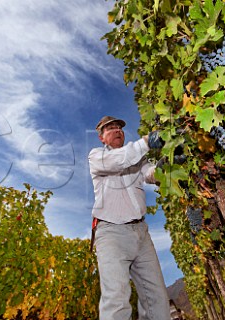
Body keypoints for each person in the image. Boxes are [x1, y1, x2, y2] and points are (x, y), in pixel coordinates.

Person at [88, 115, 170, 320]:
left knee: (157, 299)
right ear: (102, 138)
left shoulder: (137, 158)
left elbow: (150, 174)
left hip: (141, 233)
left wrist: (165, 166)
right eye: (110, 129)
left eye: (119, 128)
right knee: (116, 300)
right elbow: (120, 160)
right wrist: (146, 142)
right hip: (111, 233)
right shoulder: (97, 156)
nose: (117, 130)